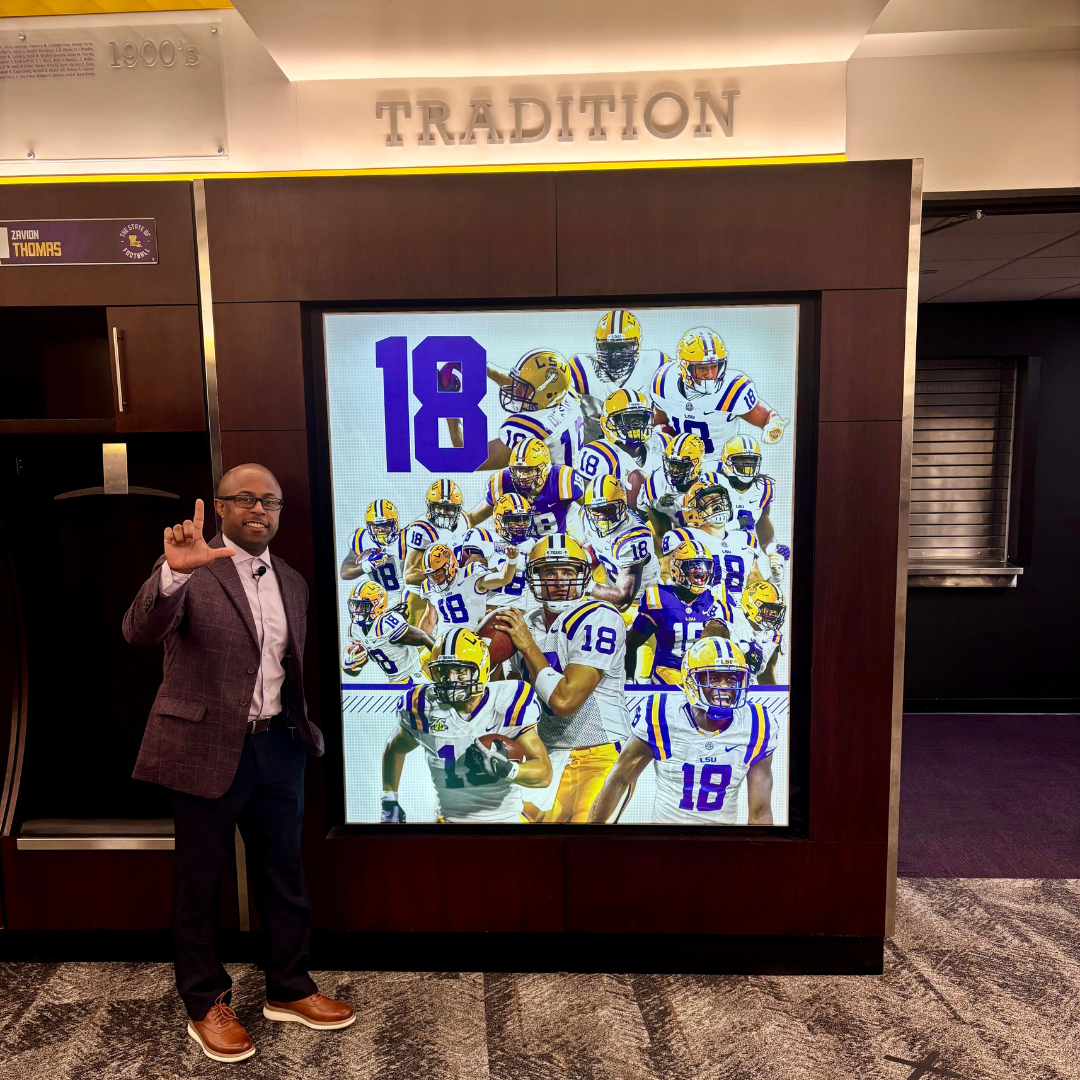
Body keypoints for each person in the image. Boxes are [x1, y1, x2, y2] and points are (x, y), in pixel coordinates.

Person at [122, 464, 353, 1063]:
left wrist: (301, 731)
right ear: (219, 509)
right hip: (206, 747)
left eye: (269, 501)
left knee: (284, 872)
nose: (259, 510)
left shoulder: (294, 583)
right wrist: (172, 573)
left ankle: (289, 985)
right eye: (245, 499)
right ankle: (204, 1003)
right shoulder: (191, 568)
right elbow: (138, 632)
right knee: (200, 881)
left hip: (278, 746)